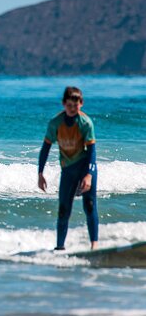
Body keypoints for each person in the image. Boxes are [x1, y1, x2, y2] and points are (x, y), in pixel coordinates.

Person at [38, 86, 98, 251]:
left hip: (85, 167)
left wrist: (89, 176)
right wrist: (40, 173)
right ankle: (60, 247)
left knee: (90, 205)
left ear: (81, 104)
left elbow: (92, 152)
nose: (72, 109)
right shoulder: (55, 123)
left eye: (76, 105)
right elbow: (45, 148)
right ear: (64, 104)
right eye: (69, 105)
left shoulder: (85, 123)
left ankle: (94, 246)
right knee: (64, 209)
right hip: (68, 170)